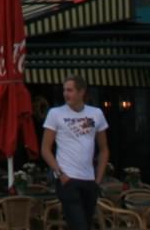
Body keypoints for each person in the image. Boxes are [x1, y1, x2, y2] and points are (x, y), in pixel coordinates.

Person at [41, 77, 108, 230]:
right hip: (67, 178)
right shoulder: (55, 114)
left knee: (86, 223)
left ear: (81, 92)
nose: (66, 94)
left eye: (70, 90)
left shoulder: (96, 113)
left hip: (89, 180)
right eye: (64, 90)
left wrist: (98, 179)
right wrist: (60, 174)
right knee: (79, 225)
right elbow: (45, 149)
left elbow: (104, 149)